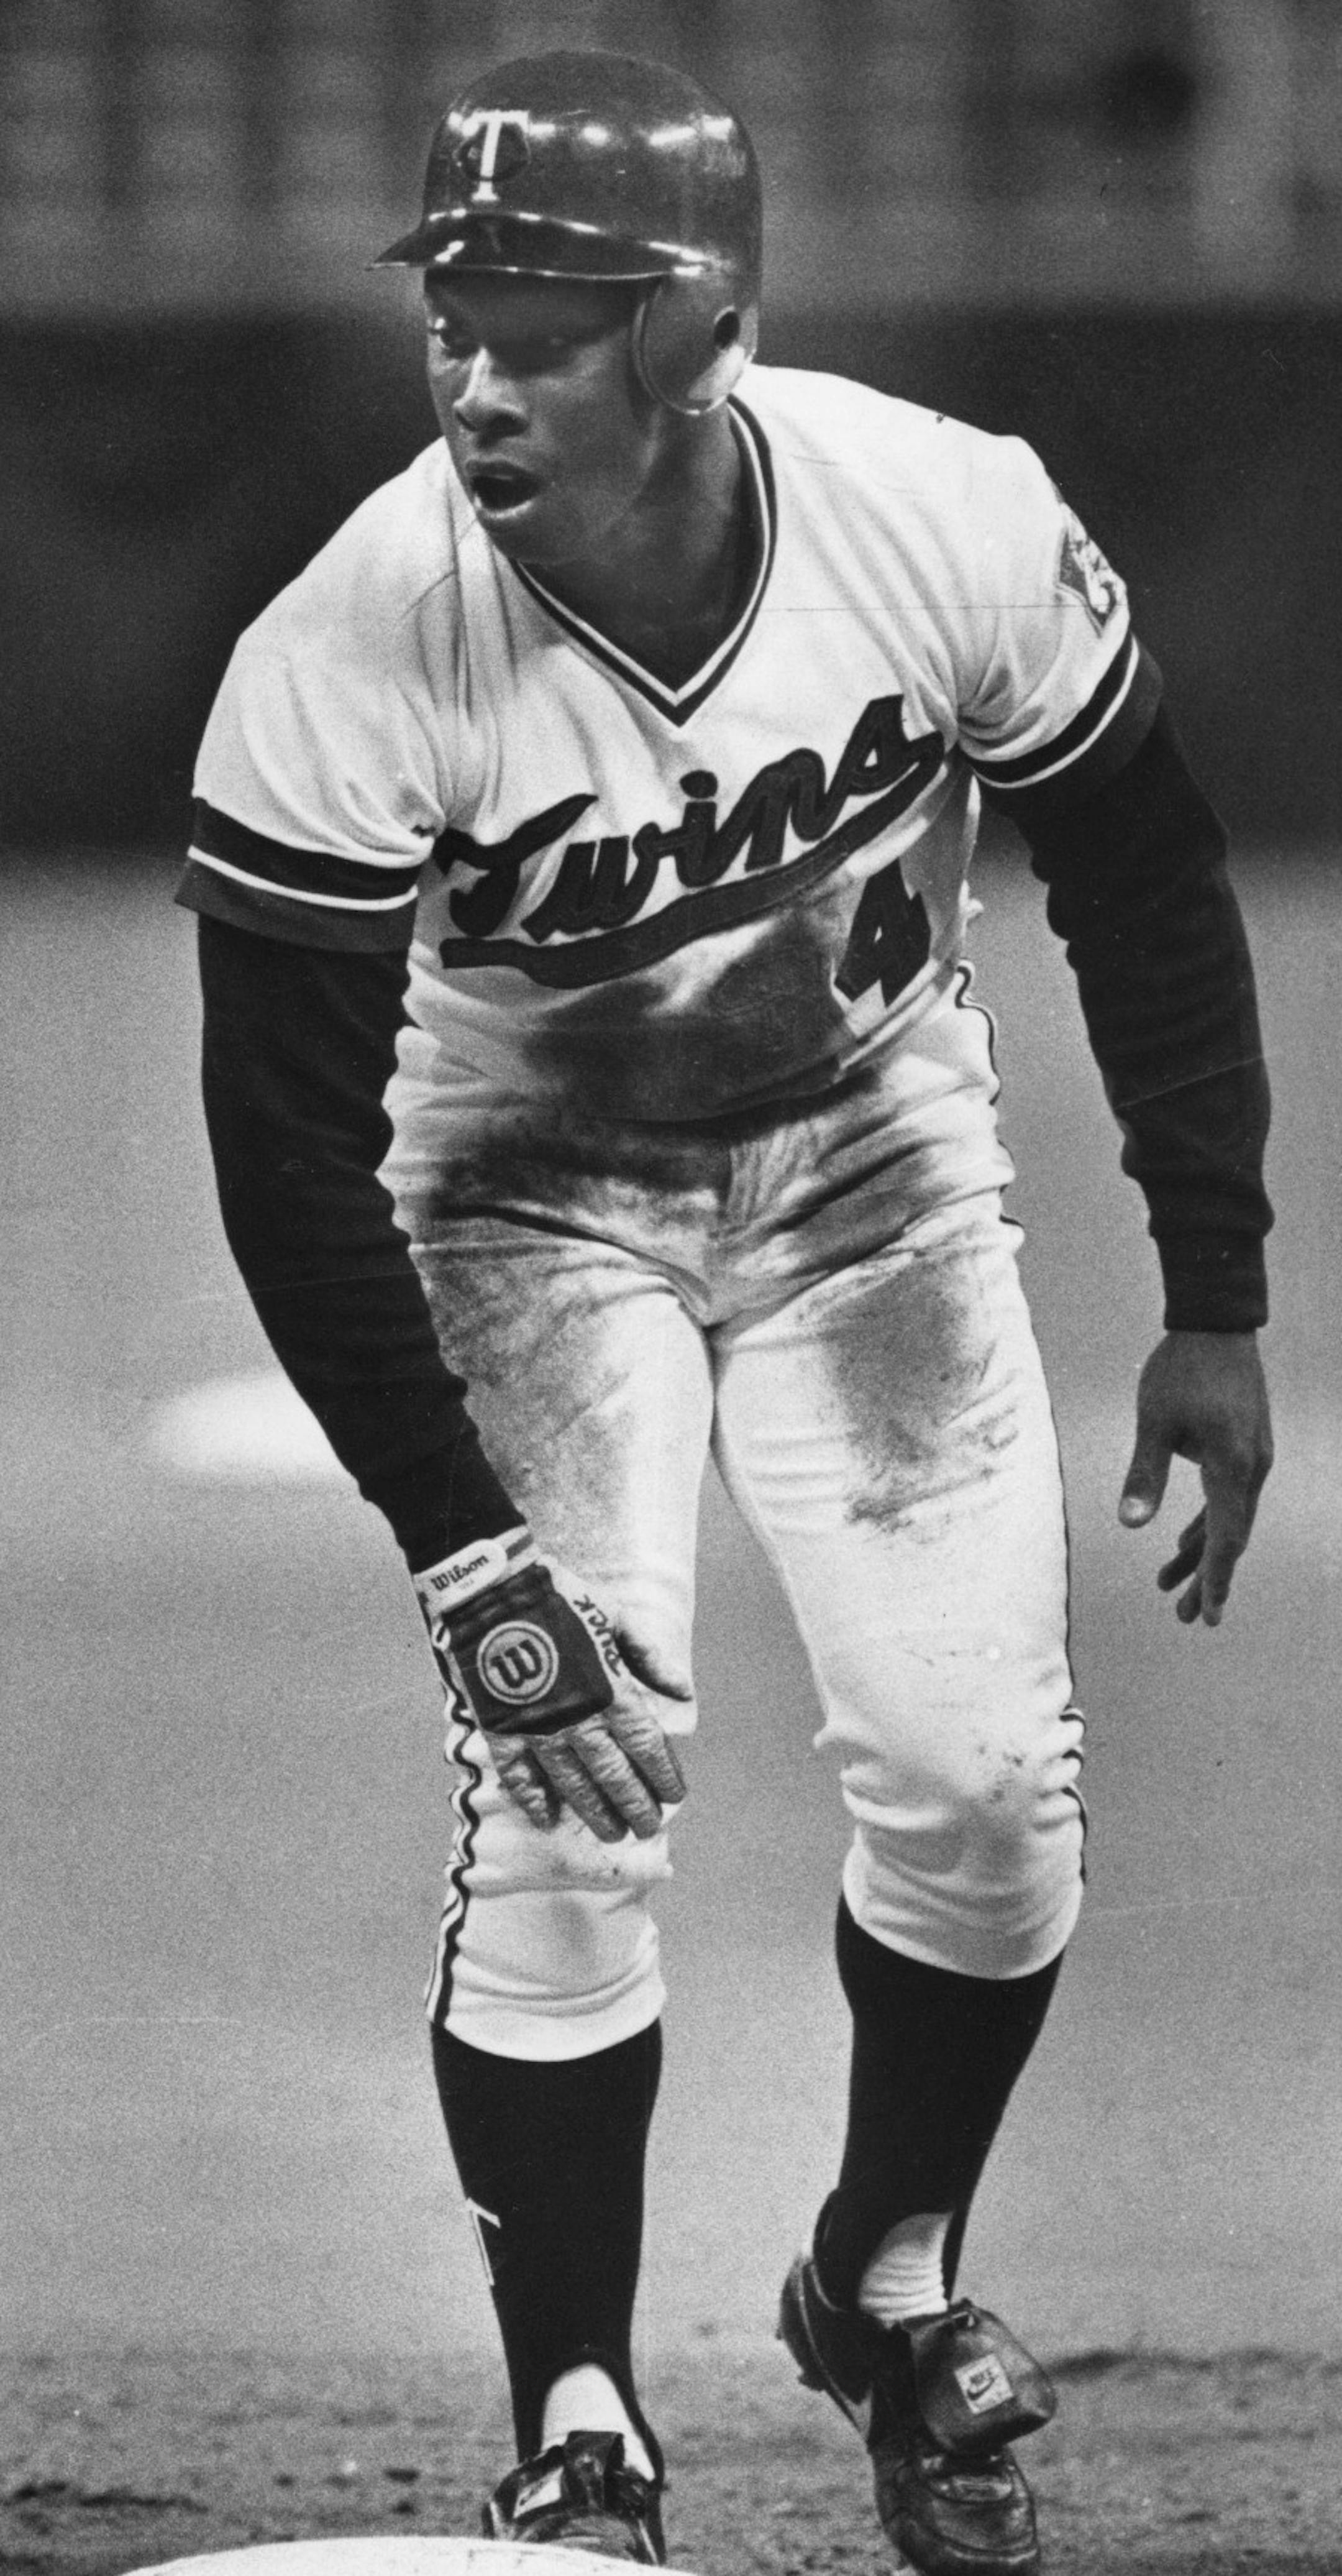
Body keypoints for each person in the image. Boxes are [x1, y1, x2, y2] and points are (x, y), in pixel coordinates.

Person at [180, 48, 1273, 2576]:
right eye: (455, 312)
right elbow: (283, 1150)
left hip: (875, 1177)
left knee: (988, 1799)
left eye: (541, 323)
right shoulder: (356, 641)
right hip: (524, 1209)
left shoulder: (938, 513)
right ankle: (575, 2407)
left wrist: (1212, 1285)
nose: (473, 372)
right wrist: (467, 1555)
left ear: (693, 331)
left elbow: (1140, 853)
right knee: (568, 1815)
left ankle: (883, 2285)